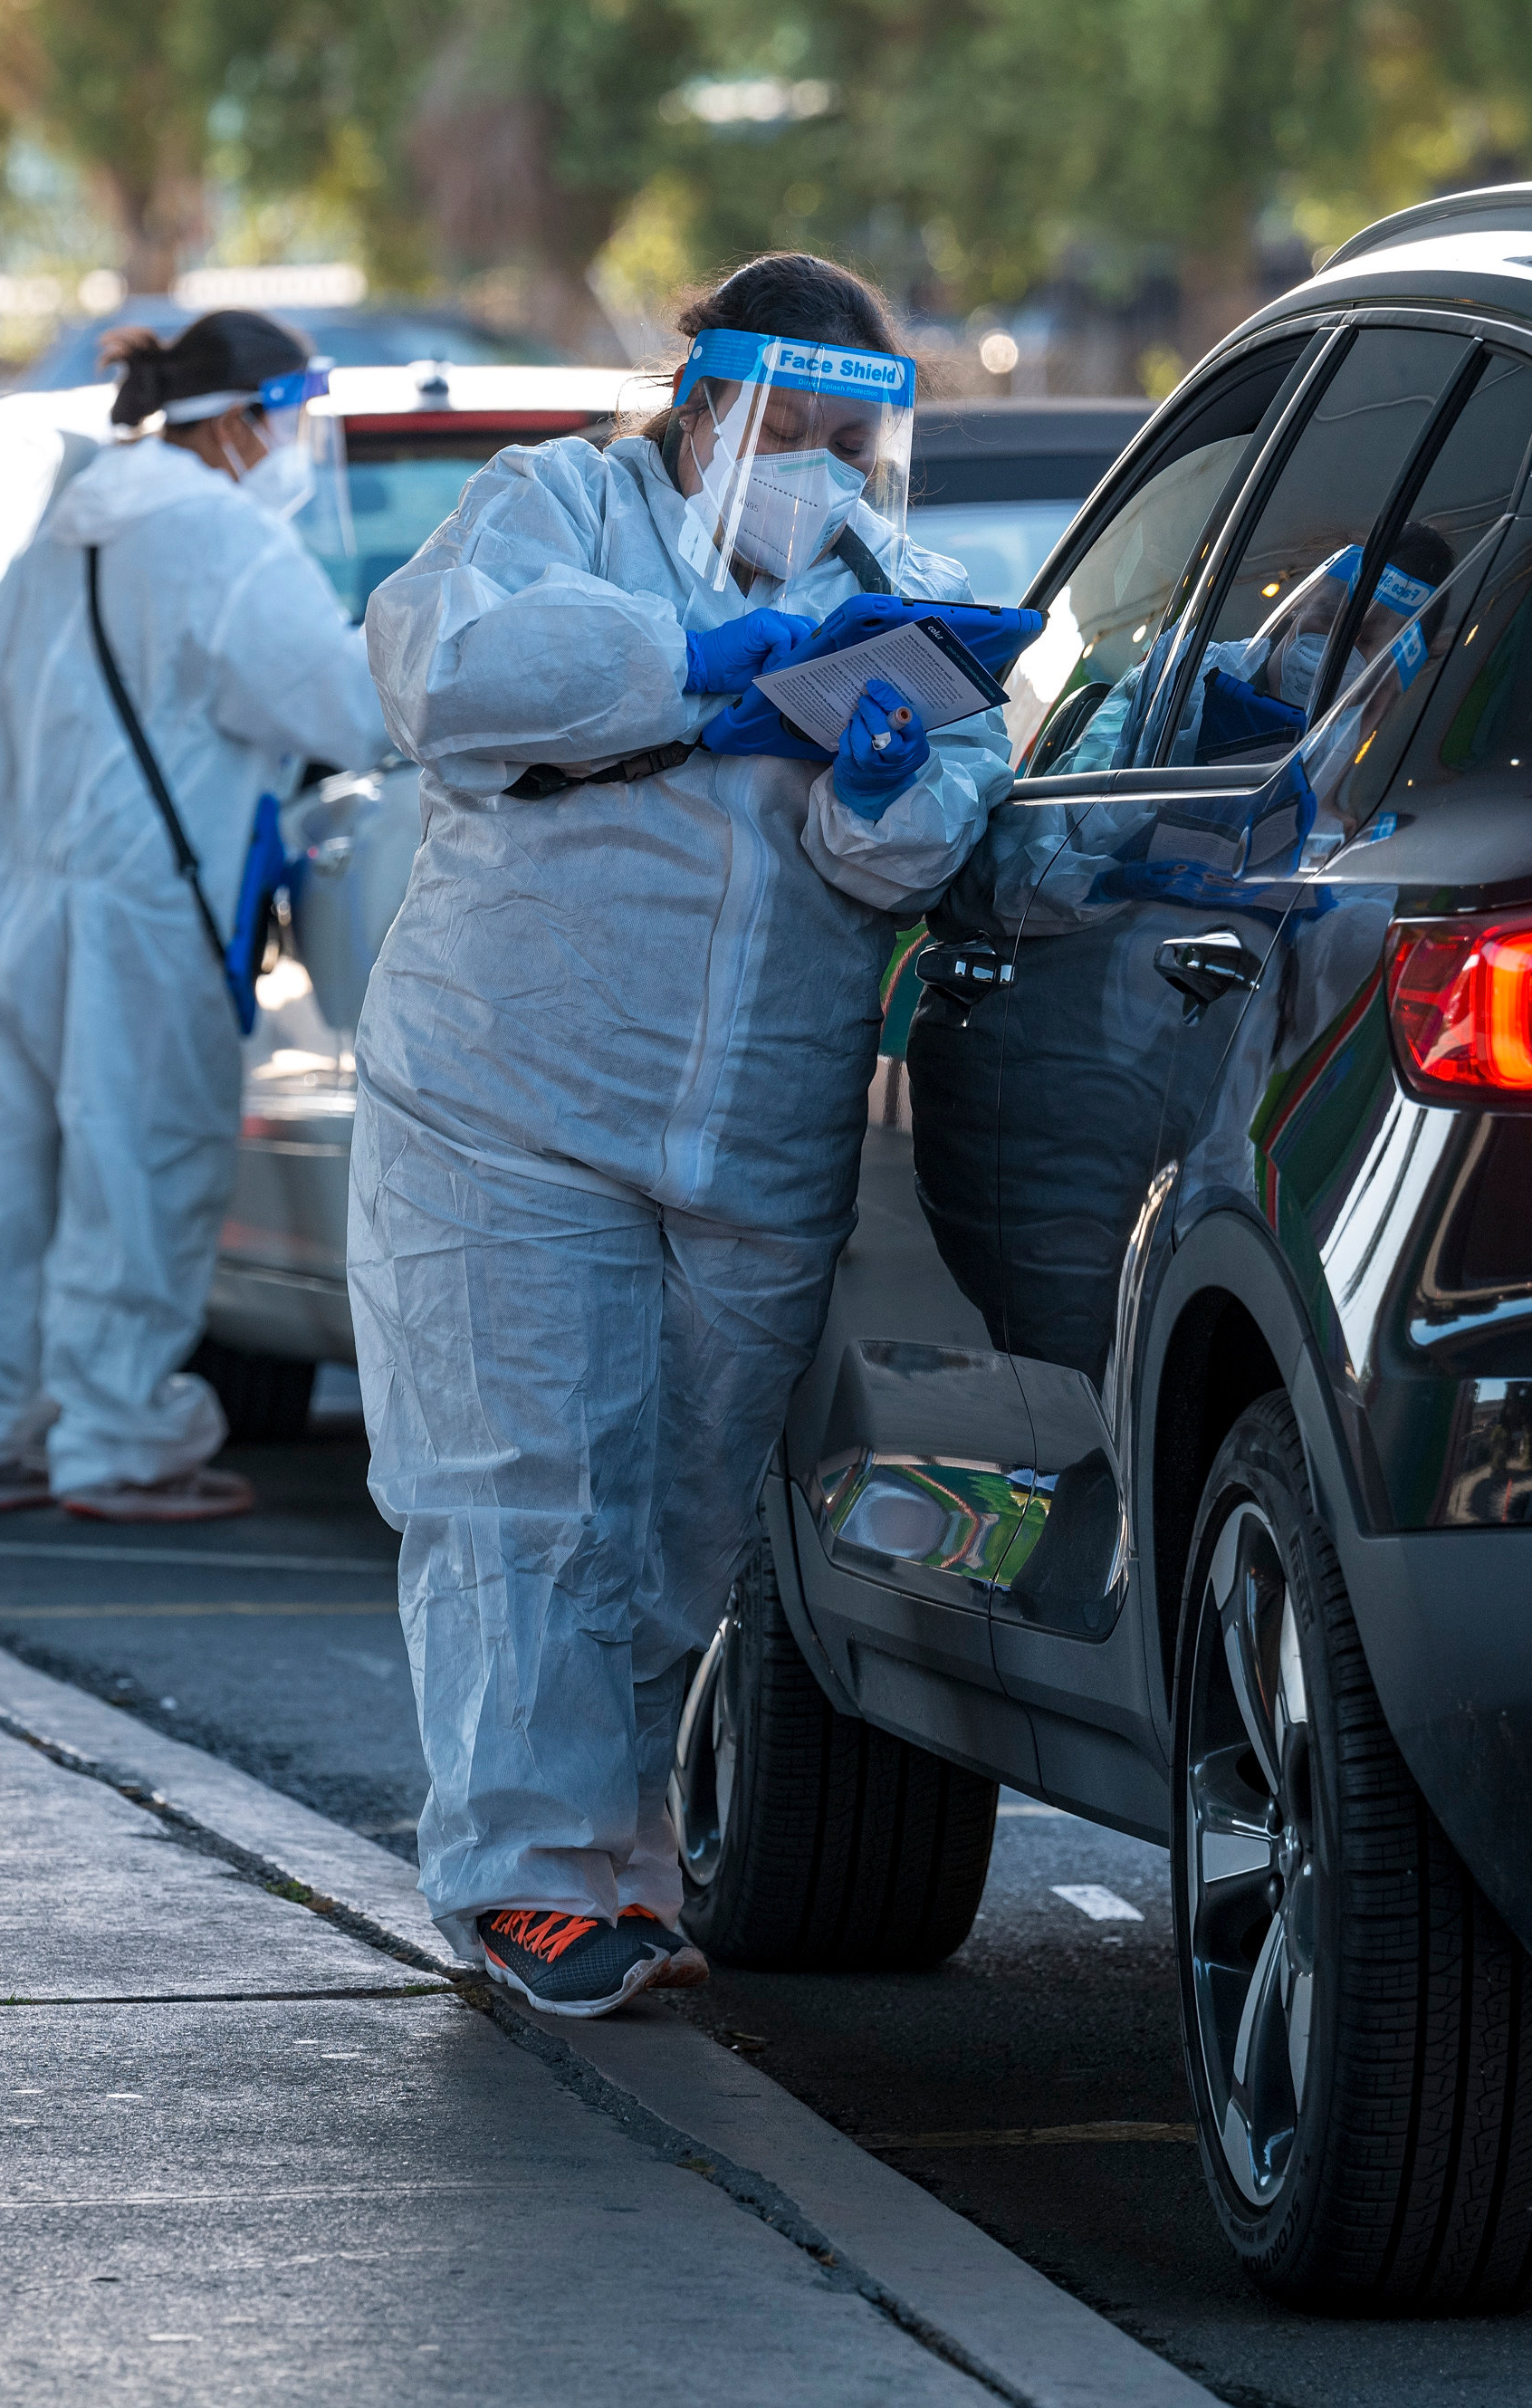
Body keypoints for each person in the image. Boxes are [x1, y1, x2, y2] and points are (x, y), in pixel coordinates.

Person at [349, 254, 1011, 2015]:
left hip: (751, 1143)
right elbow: (445, 673)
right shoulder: (556, 504)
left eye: (840, 436)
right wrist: (690, 661)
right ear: (704, 400)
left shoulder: (897, 590)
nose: (806, 464)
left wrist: (883, 775)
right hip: (514, 1097)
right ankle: (521, 1874)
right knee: (520, 1493)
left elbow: (927, 839)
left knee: (678, 1532)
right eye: (779, 425)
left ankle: (609, 1847)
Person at [0, 312, 385, 1522]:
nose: (298, 443)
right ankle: (116, 1443)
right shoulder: (225, 543)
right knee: (138, 1170)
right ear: (247, 419)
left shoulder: (68, 524)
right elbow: (352, 715)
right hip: (133, 912)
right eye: (292, 416)